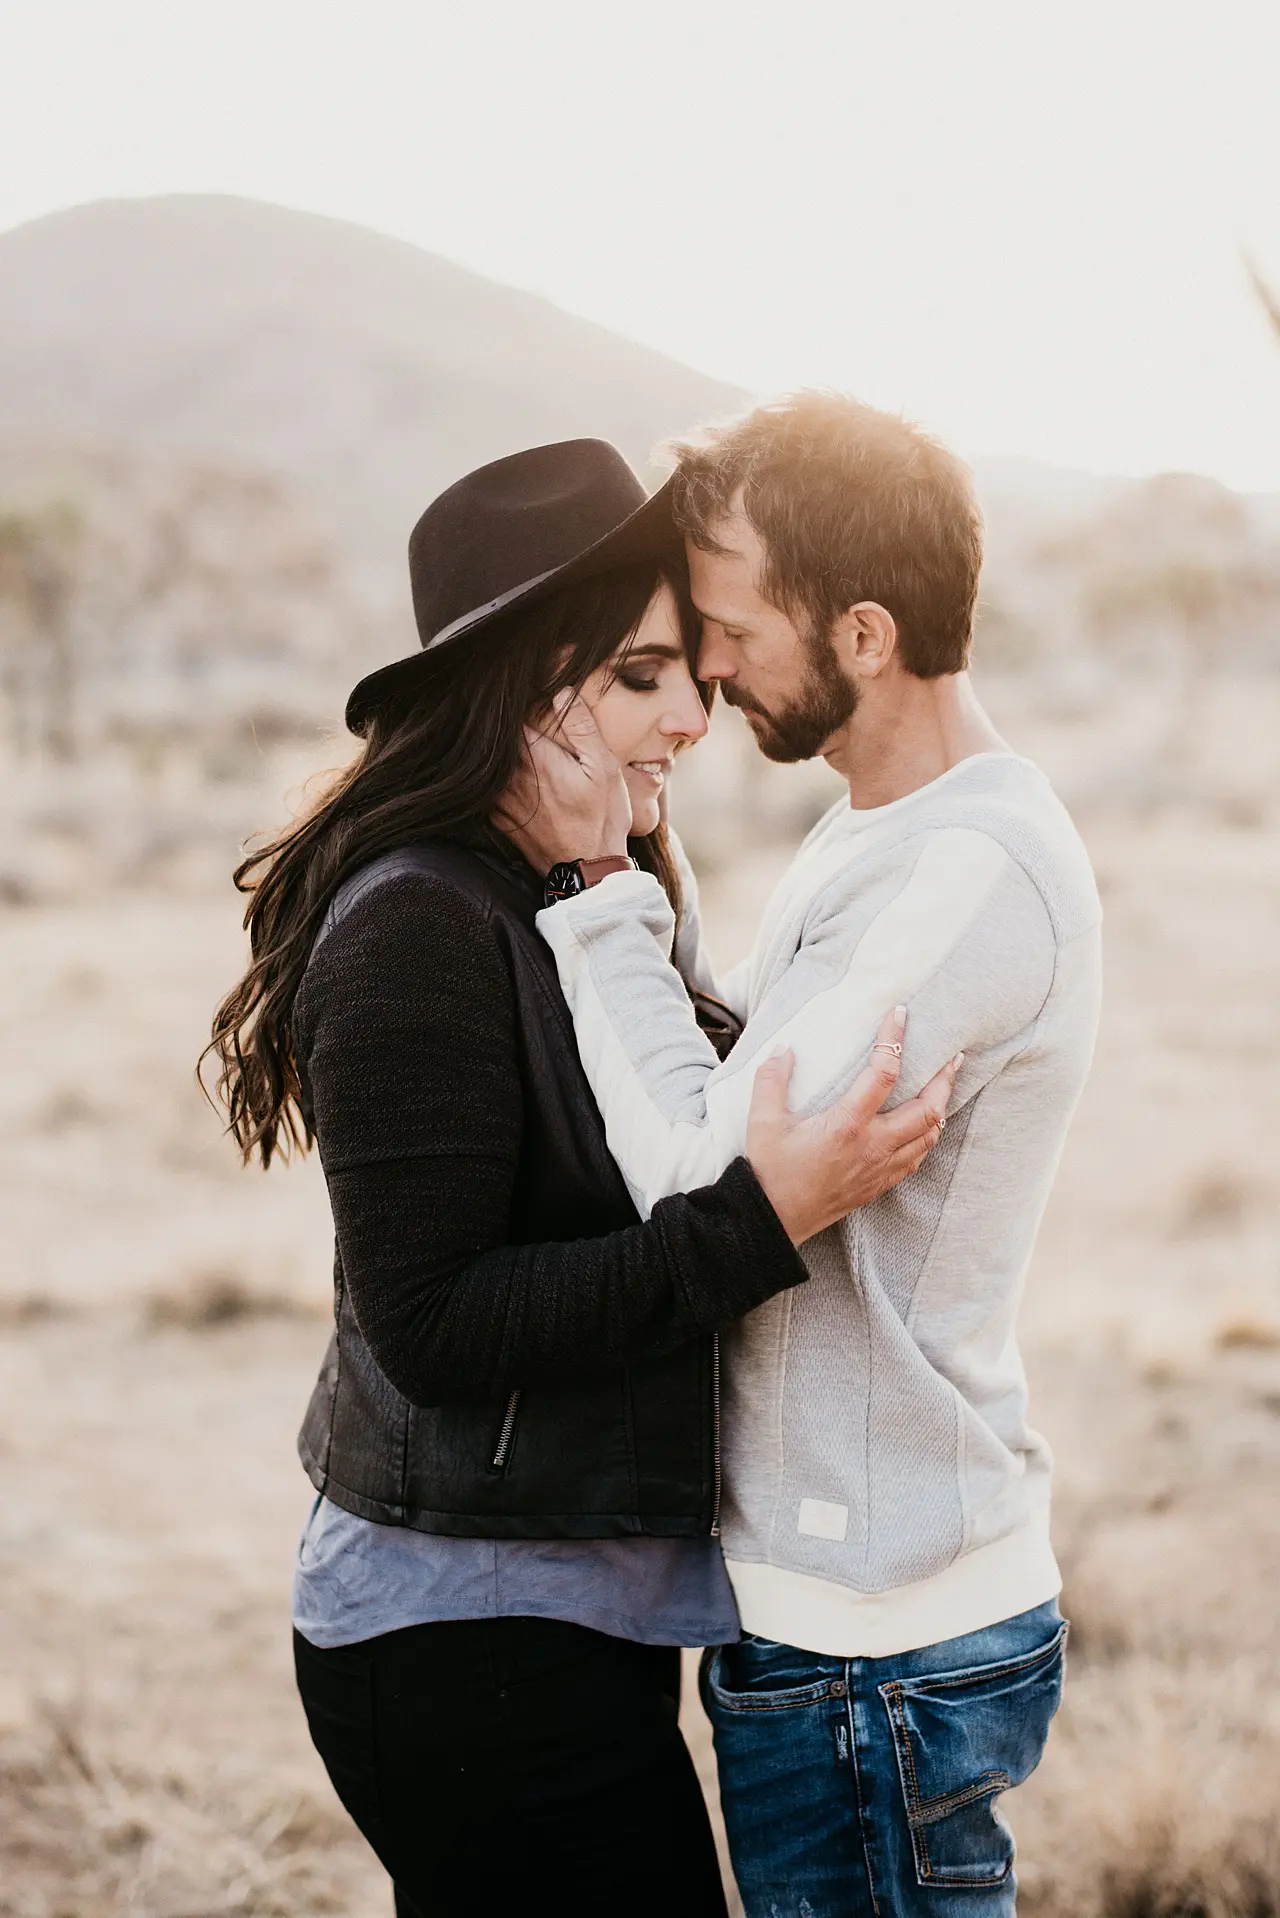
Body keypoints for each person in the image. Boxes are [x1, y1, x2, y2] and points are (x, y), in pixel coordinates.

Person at [204, 438, 957, 1918]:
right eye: (638, 674)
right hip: (465, 1645)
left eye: (689, 667)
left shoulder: (563, 883)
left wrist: (615, 897)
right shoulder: (417, 920)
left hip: (549, 1623)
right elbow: (433, 1326)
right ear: (522, 693)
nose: (694, 710)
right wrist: (761, 1223)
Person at [503, 395, 1103, 1918]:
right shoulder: (880, 830)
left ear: (860, 634)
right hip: (848, 1607)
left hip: (877, 1632)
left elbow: (704, 1179)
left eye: (728, 627)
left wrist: (590, 882)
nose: (706, 668)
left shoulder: (964, 877)